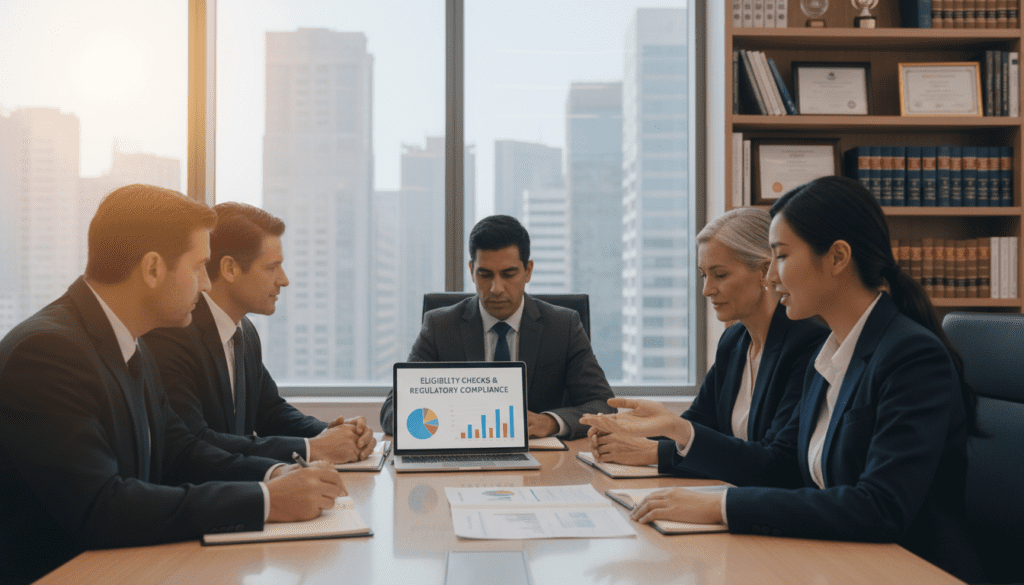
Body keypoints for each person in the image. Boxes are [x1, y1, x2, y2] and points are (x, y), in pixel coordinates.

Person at [582, 176, 983, 581]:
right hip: (834, 559)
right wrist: (672, 446)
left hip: (907, 569)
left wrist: (720, 507)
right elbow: (783, 467)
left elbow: (880, 507)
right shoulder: (831, 353)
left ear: (838, 258)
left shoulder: (910, 357)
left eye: (781, 257)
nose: (771, 276)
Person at [0, 185, 345, 584]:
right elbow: (101, 506)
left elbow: (180, 451)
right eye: (199, 266)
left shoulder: (132, 346)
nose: (205, 284)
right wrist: (266, 502)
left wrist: (275, 475)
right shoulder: (49, 351)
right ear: (152, 268)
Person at [588, 208, 827, 472]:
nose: (707, 290)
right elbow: (700, 422)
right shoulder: (734, 340)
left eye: (720, 275)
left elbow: (777, 461)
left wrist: (655, 451)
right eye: (704, 275)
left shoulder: (808, 342)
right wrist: (628, 435)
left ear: (764, 271)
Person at [144, 202, 376, 464]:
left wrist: (335, 434)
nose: (283, 279)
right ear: (230, 269)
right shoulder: (174, 334)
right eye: (271, 267)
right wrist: (313, 448)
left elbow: (270, 412)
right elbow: (196, 442)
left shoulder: (244, 331)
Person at [380, 215, 615, 439]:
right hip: (462, 456)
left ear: (528, 271)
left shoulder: (563, 326)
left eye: (508, 274)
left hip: (543, 461)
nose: (496, 288)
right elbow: (391, 411)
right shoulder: (440, 327)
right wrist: (456, 420)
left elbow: (603, 405)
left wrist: (550, 422)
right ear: (472, 271)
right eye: (485, 275)